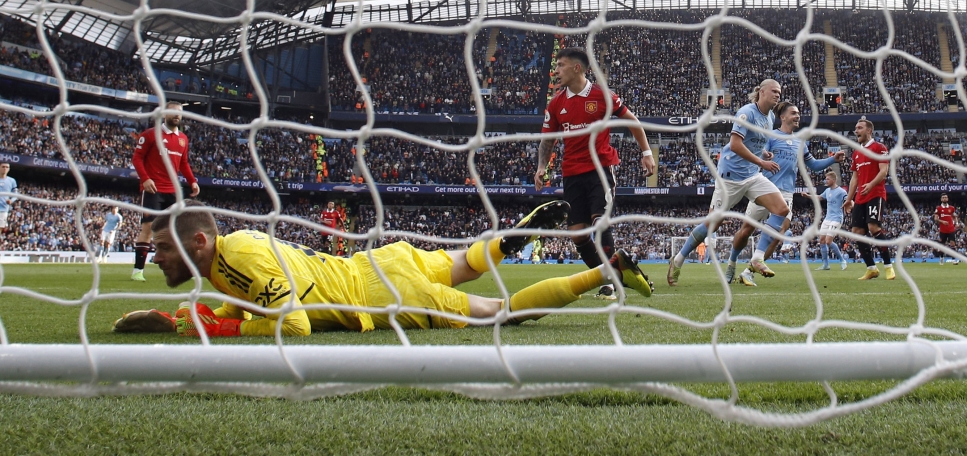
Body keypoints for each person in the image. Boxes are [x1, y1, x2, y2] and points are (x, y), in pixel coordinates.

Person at [113, 199, 652, 337]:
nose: (153, 255)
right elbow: (248, 304)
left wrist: (208, 326)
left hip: (379, 294)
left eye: (160, 249)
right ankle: (518, 234)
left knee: (500, 312)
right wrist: (189, 319)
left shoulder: (244, 254)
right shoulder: (226, 259)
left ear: (199, 241)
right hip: (376, 262)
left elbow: (293, 324)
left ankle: (602, 274)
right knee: (466, 262)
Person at [534, 47, 654, 298]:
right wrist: (541, 167)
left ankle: (609, 284)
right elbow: (547, 140)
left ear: (577, 68)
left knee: (600, 223)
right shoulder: (556, 103)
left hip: (600, 169)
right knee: (578, 234)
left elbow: (632, 121)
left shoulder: (602, 95)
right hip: (572, 173)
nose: (556, 71)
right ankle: (615, 276)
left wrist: (646, 153)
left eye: (561, 66)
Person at [668, 79, 789, 287]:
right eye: (774, 91)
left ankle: (757, 257)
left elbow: (754, 143)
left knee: (781, 209)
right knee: (711, 225)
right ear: (761, 92)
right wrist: (761, 161)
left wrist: (763, 153)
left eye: (780, 92)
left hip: (752, 176)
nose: (778, 95)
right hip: (730, 179)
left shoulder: (769, 117)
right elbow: (735, 144)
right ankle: (678, 259)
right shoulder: (746, 112)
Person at [723, 102, 844, 286]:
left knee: (778, 233)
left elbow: (812, 165)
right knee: (746, 230)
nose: (797, 116)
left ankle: (749, 271)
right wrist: (763, 158)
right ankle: (731, 263)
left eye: (798, 113)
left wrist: (832, 159)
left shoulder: (801, 142)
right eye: (793, 113)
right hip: (765, 189)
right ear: (783, 117)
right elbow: (757, 154)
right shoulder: (770, 136)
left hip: (786, 194)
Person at [130, 101, 200, 282]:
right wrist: (145, 179)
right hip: (154, 189)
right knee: (148, 228)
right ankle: (138, 270)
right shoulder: (151, 135)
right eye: (173, 112)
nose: (177, 116)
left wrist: (192, 181)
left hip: (173, 190)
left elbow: (183, 163)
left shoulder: (183, 139)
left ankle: (183, 270)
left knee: (179, 230)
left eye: (180, 113)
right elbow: (137, 158)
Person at [844, 118, 893, 281]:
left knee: (873, 227)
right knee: (857, 232)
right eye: (855, 128)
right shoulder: (857, 152)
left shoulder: (879, 148)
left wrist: (871, 185)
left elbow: (884, 171)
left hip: (876, 193)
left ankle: (888, 266)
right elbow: (855, 178)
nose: (856, 131)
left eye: (859, 128)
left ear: (869, 131)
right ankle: (871, 268)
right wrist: (849, 199)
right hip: (860, 197)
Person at [811, 171, 849, 271]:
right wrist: (808, 196)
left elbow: (848, 200)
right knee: (822, 241)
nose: (826, 181)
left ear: (833, 180)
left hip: (837, 218)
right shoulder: (827, 191)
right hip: (827, 218)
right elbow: (819, 197)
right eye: (826, 179)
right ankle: (826, 265)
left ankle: (842, 260)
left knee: (828, 241)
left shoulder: (841, 191)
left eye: (828, 179)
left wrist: (850, 205)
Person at [934, 193, 959, 265]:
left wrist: (956, 224)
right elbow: (935, 218)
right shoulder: (938, 208)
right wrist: (942, 221)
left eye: (946, 197)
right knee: (942, 245)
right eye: (943, 197)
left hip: (951, 229)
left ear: (947, 199)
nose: (945, 198)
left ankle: (953, 260)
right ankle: (941, 258)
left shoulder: (951, 208)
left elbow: (954, 216)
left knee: (953, 244)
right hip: (943, 230)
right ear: (941, 199)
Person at [0, 162, 17, 232]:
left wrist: (11, 200)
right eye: (3, 167)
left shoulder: (12, 181)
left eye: (7, 167)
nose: (5, 169)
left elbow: (15, 194)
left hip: (3, 208)